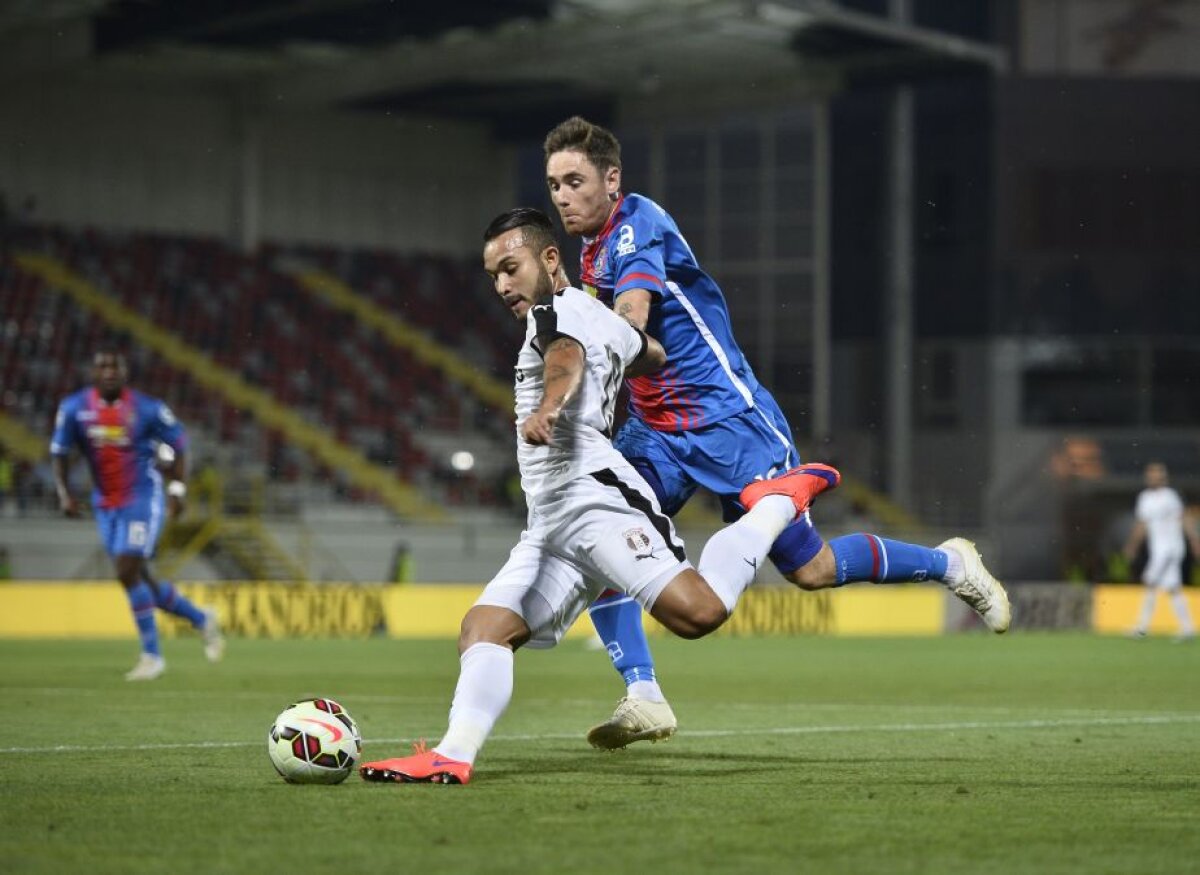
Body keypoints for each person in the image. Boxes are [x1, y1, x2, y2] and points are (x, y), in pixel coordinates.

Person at [543, 116, 1011, 748]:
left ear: (612, 179)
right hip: (656, 431)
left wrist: (575, 343)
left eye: (575, 181)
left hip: (730, 424)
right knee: (606, 542)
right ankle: (644, 696)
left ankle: (949, 563)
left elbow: (633, 323)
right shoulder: (593, 243)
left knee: (812, 569)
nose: (563, 196)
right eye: (554, 185)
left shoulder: (636, 228)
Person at [359, 208, 855, 785]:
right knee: (484, 628)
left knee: (698, 614)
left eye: (511, 268)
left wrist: (551, 406)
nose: (501, 286)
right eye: (493, 274)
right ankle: (452, 755)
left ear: (550, 260)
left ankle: (778, 502)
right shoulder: (593, 313)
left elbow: (564, 358)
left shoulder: (553, 314)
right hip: (550, 523)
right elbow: (653, 353)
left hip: (596, 497)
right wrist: (622, 349)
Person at [51, 349, 225, 680]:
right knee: (140, 577)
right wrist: (64, 494)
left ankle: (152, 656)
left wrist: (177, 490)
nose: (108, 371)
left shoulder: (148, 409)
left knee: (126, 569)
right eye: (102, 365)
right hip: (105, 504)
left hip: (142, 499)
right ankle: (201, 619)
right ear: (93, 371)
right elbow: (59, 452)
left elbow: (180, 445)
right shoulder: (75, 408)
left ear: (125, 371)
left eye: (114, 365)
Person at [1124, 462, 1198, 641]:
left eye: (1157, 475)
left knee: (1149, 580)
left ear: (1163, 478)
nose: (1154, 478)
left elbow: (1184, 518)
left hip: (1171, 549)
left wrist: (1195, 540)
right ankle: (1187, 627)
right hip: (1159, 549)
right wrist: (1132, 545)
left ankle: (1141, 627)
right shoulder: (1145, 498)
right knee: (1173, 588)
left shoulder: (1170, 496)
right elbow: (1142, 525)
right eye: (1151, 475)